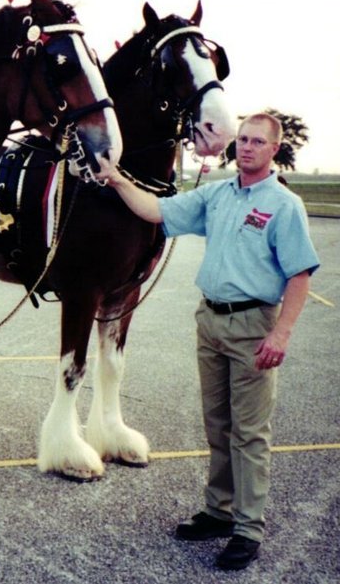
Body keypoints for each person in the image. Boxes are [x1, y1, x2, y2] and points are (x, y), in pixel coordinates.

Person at [104, 112, 320, 571]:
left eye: (257, 142)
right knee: (217, 425)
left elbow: (300, 274)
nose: (246, 147)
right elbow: (158, 210)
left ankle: (248, 529)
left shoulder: (284, 205)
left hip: (253, 328)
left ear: (273, 150)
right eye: (242, 139)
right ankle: (219, 512)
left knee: (250, 434)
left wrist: (281, 333)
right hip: (211, 321)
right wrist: (117, 179)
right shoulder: (218, 195)